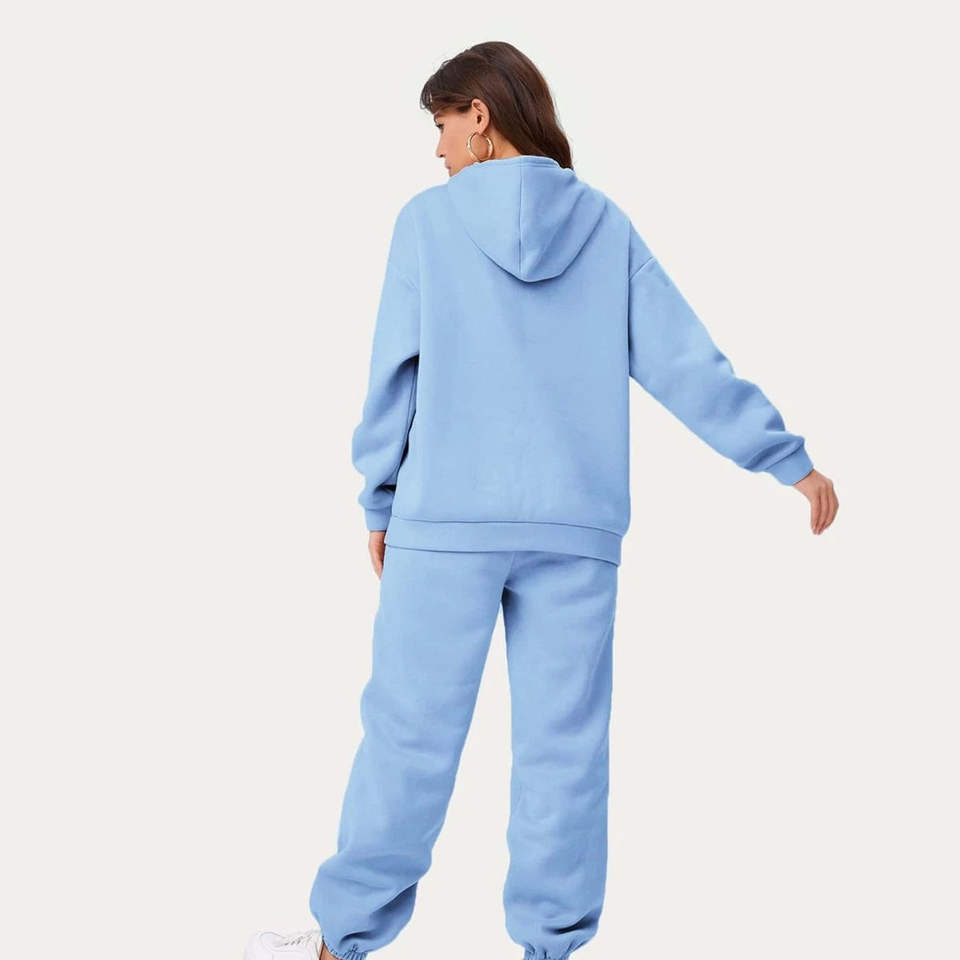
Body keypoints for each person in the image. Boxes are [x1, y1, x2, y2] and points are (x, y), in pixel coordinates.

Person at [245, 40, 839, 960]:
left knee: (409, 737)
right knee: (565, 754)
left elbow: (393, 377)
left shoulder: (427, 224)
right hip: (576, 530)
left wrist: (380, 501)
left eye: (442, 124)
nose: (438, 149)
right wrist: (787, 461)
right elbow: (685, 361)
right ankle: (551, 949)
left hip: (444, 525)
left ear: (479, 116)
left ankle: (342, 941)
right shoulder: (603, 224)